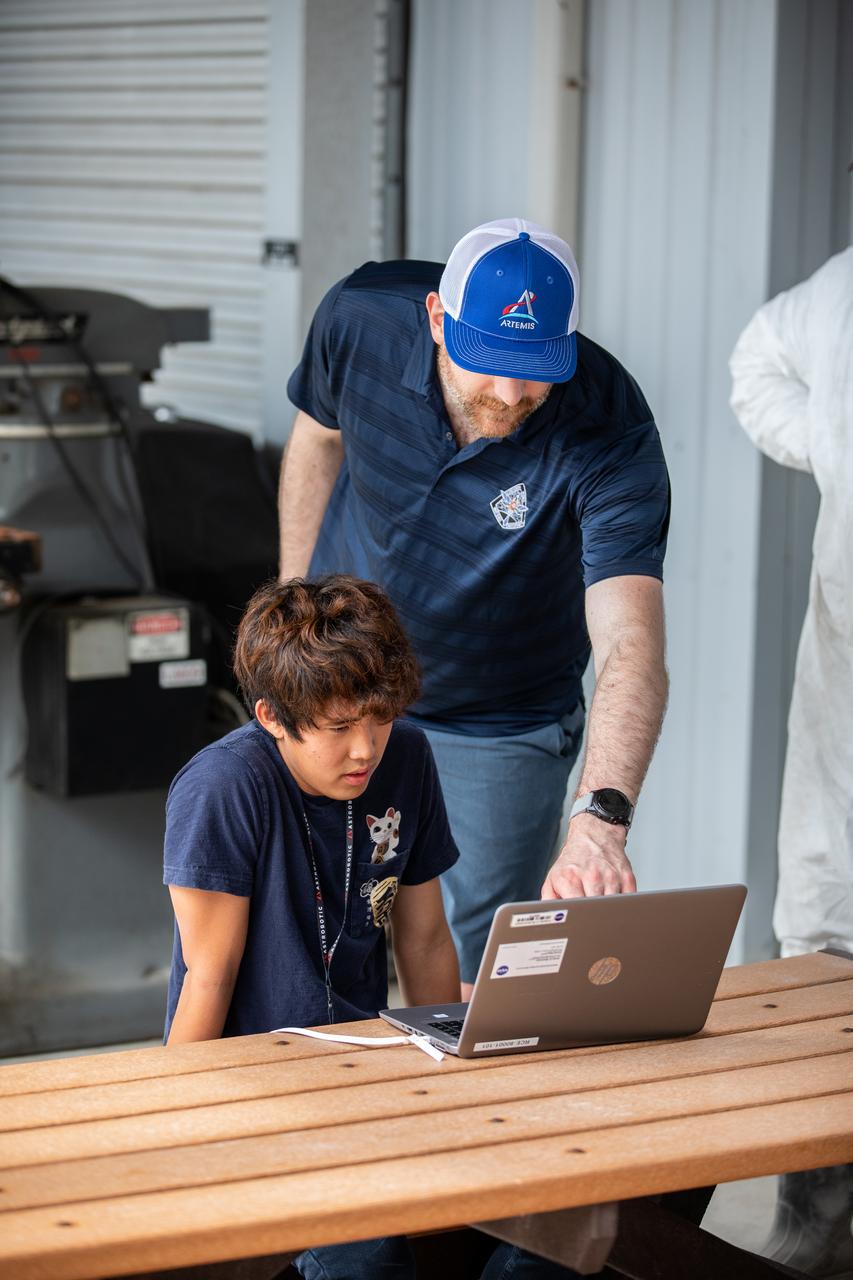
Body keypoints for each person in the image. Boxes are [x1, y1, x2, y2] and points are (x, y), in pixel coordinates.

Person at [279, 218, 671, 997]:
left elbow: (631, 645)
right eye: (489, 364)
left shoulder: (608, 428)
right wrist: (292, 613)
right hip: (343, 681)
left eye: (535, 370)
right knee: (313, 925)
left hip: (500, 717)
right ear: (436, 318)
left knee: (483, 963)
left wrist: (599, 822)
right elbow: (318, 440)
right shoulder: (359, 319)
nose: (510, 395)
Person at [163, 574, 463, 1279]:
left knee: (534, 1213)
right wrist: (174, 1125)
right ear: (272, 716)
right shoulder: (222, 787)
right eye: (339, 727)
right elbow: (209, 974)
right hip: (254, 1081)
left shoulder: (407, 757)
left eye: (379, 718)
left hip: (371, 1066)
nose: (365, 749)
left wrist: (453, 1083)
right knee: (370, 1259)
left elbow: (423, 938)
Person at [729, 247, 853, 1278]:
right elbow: (756, 362)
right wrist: (828, 443)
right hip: (845, 682)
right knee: (825, 936)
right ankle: (818, 1229)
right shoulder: (844, 286)